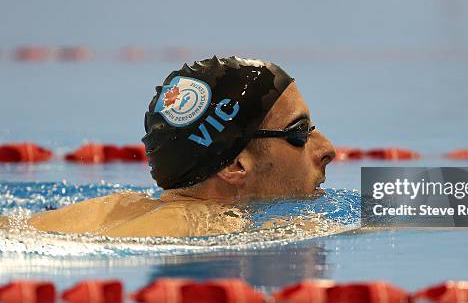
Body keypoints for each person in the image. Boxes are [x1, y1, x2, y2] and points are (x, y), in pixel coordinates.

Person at [25, 56, 336, 237]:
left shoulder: (117, 205)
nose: (328, 149)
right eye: (298, 132)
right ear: (234, 166)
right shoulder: (209, 226)